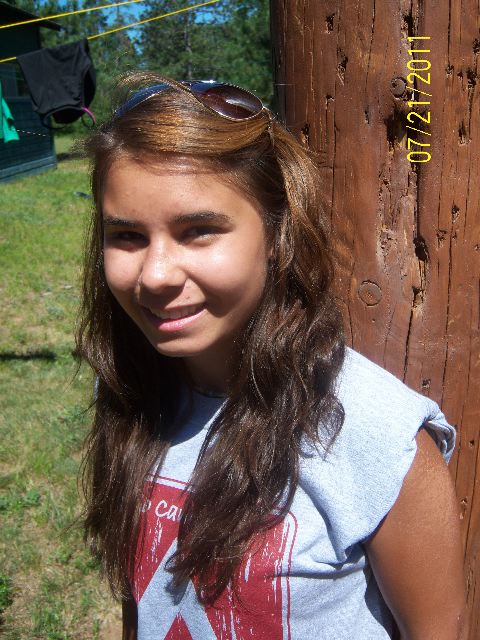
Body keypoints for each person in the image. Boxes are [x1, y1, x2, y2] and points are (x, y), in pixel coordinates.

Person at [77, 73, 466, 640]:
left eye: (198, 231)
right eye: (128, 236)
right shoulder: (131, 394)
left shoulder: (378, 436)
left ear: (279, 233)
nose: (155, 275)